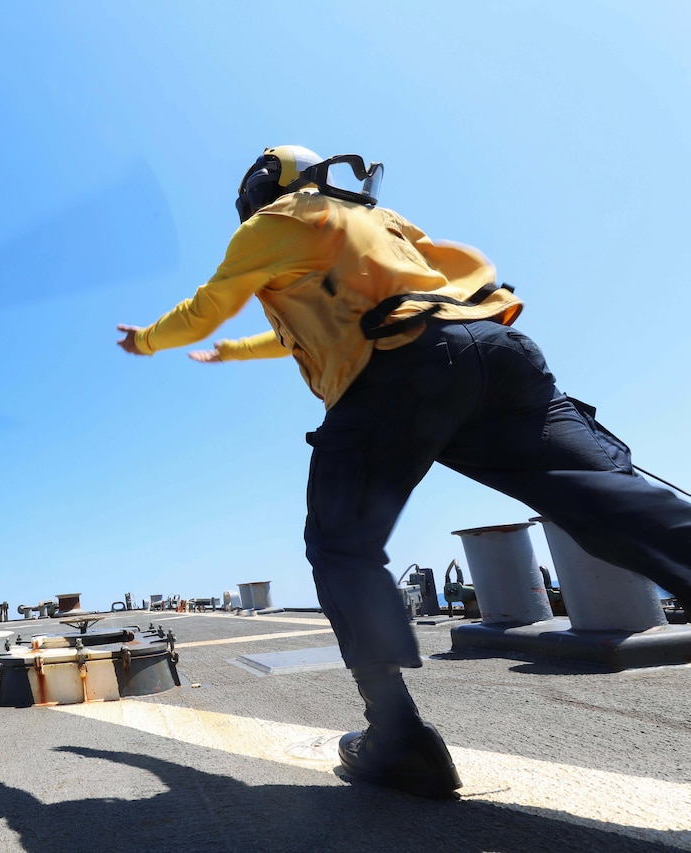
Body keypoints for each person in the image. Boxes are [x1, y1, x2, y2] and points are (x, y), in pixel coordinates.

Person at [116, 145, 691, 799]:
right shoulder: (372, 223)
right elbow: (303, 331)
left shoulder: (271, 224)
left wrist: (149, 339)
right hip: (496, 354)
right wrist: (234, 352)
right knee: (607, 497)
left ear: (258, 190)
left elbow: (206, 304)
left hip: (399, 374)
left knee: (341, 547)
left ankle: (397, 739)